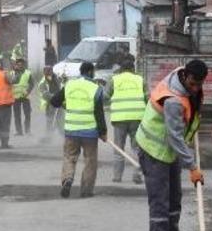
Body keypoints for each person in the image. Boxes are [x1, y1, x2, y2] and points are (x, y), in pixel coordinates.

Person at [135, 60, 207, 231]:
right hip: (153, 150)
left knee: (175, 198)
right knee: (160, 201)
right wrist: (192, 166)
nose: (195, 88)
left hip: (169, 151)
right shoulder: (173, 100)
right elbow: (174, 136)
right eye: (193, 84)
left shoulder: (181, 75)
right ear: (185, 76)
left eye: (199, 84)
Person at [50, 61, 107, 198]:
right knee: (90, 161)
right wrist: (103, 132)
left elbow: (54, 101)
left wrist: (66, 105)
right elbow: (99, 113)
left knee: (70, 157)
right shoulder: (95, 88)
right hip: (90, 132)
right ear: (89, 72)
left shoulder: (69, 85)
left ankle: (67, 179)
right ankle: (86, 190)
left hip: (71, 131)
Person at [107, 58, 147, 184]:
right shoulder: (140, 80)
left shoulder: (114, 80)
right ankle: (137, 175)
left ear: (121, 69)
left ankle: (117, 176)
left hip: (119, 118)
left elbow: (105, 96)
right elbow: (148, 98)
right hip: (137, 117)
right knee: (137, 148)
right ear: (132, 69)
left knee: (119, 147)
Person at [9, 58, 33, 136]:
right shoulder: (12, 73)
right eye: (18, 64)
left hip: (25, 96)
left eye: (21, 65)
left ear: (24, 65)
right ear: (16, 65)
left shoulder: (28, 73)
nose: (20, 66)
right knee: (17, 115)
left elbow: (32, 84)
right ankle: (19, 131)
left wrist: (28, 92)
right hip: (16, 97)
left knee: (27, 114)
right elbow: (10, 83)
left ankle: (27, 130)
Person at [37, 66, 61, 140]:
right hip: (49, 104)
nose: (48, 73)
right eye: (47, 72)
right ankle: (49, 136)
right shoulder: (42, 83)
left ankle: (58, 134)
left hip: (58, 102)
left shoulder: (56, 79)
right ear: (44, 73)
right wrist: (55, 97)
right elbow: (45, 94)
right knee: (50, 120)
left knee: (59, 119)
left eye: (50, 71)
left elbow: (60, 87)